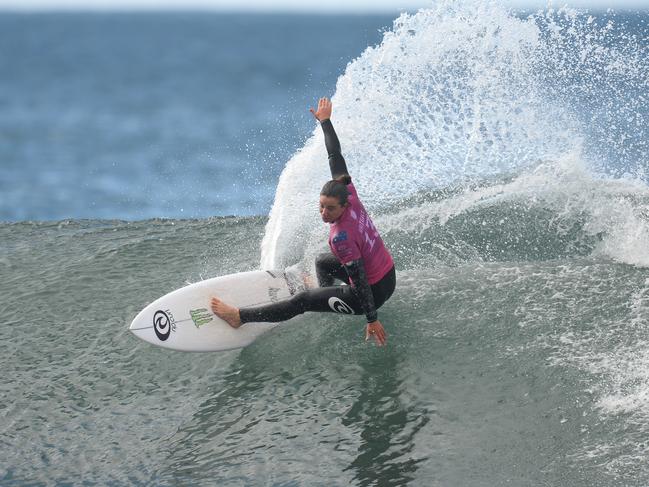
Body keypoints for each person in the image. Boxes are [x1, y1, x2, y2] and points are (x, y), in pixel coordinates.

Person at [211, 97, 396, 346]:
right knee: (322, 262)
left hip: (370, 295)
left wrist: (372, 319)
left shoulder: (341, 237)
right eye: (321, 205)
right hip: (388, 276)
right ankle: (325, 295)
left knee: (303, 301)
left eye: (330, 209)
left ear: (343, 206)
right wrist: (325, 122)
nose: (324, 213)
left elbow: (360, 279)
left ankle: (239, 317)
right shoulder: (348, 193)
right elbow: (334, 155)